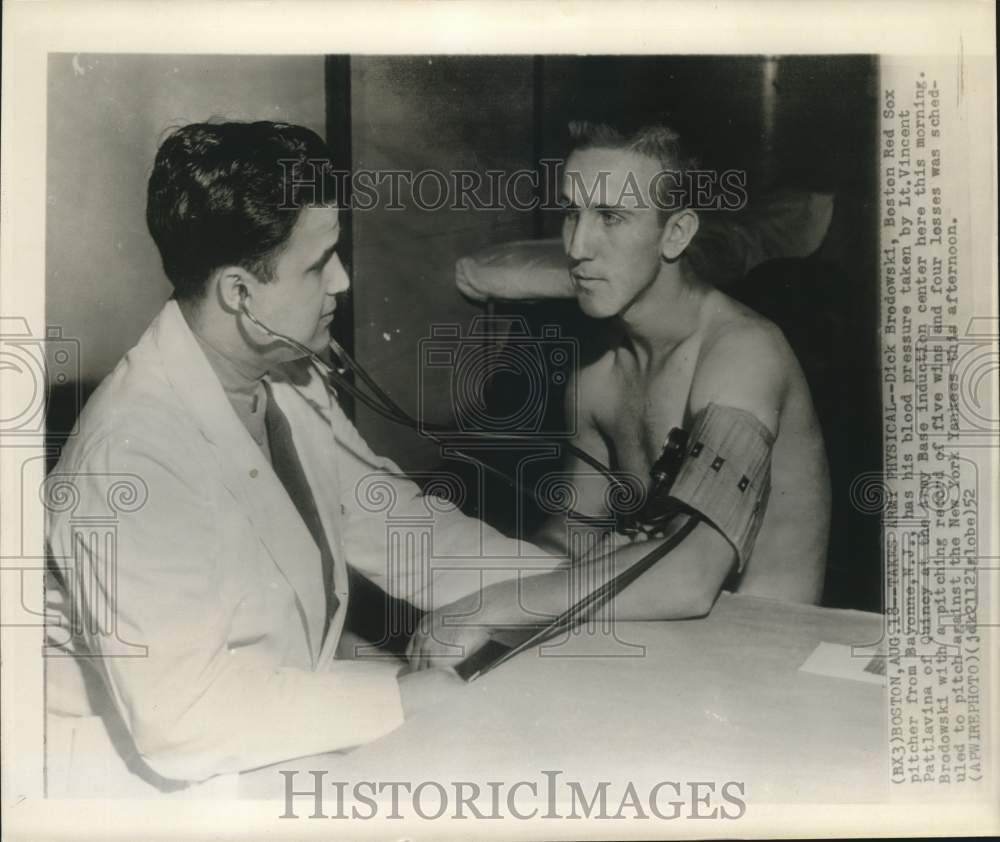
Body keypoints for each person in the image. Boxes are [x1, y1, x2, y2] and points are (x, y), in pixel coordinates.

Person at [44, 120, 559, 796]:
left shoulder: (287, 378)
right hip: (137, 784)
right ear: (240, 293)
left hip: (265, 733)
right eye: (319, 263)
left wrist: (577, 584)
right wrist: (401, 697)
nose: (342, 281)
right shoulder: (134, 457)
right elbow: (182, 720)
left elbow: (402, 529)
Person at [409, 121, 831, 668]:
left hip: (762, 667)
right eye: (572, 213)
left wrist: (487, 608)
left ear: (675, 234)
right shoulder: (600, 368)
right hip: (662, 651)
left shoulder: (743, 353)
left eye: (611, 217)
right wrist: (457, 595)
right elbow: (572, 541)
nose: (578, 247)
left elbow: (693, 575)